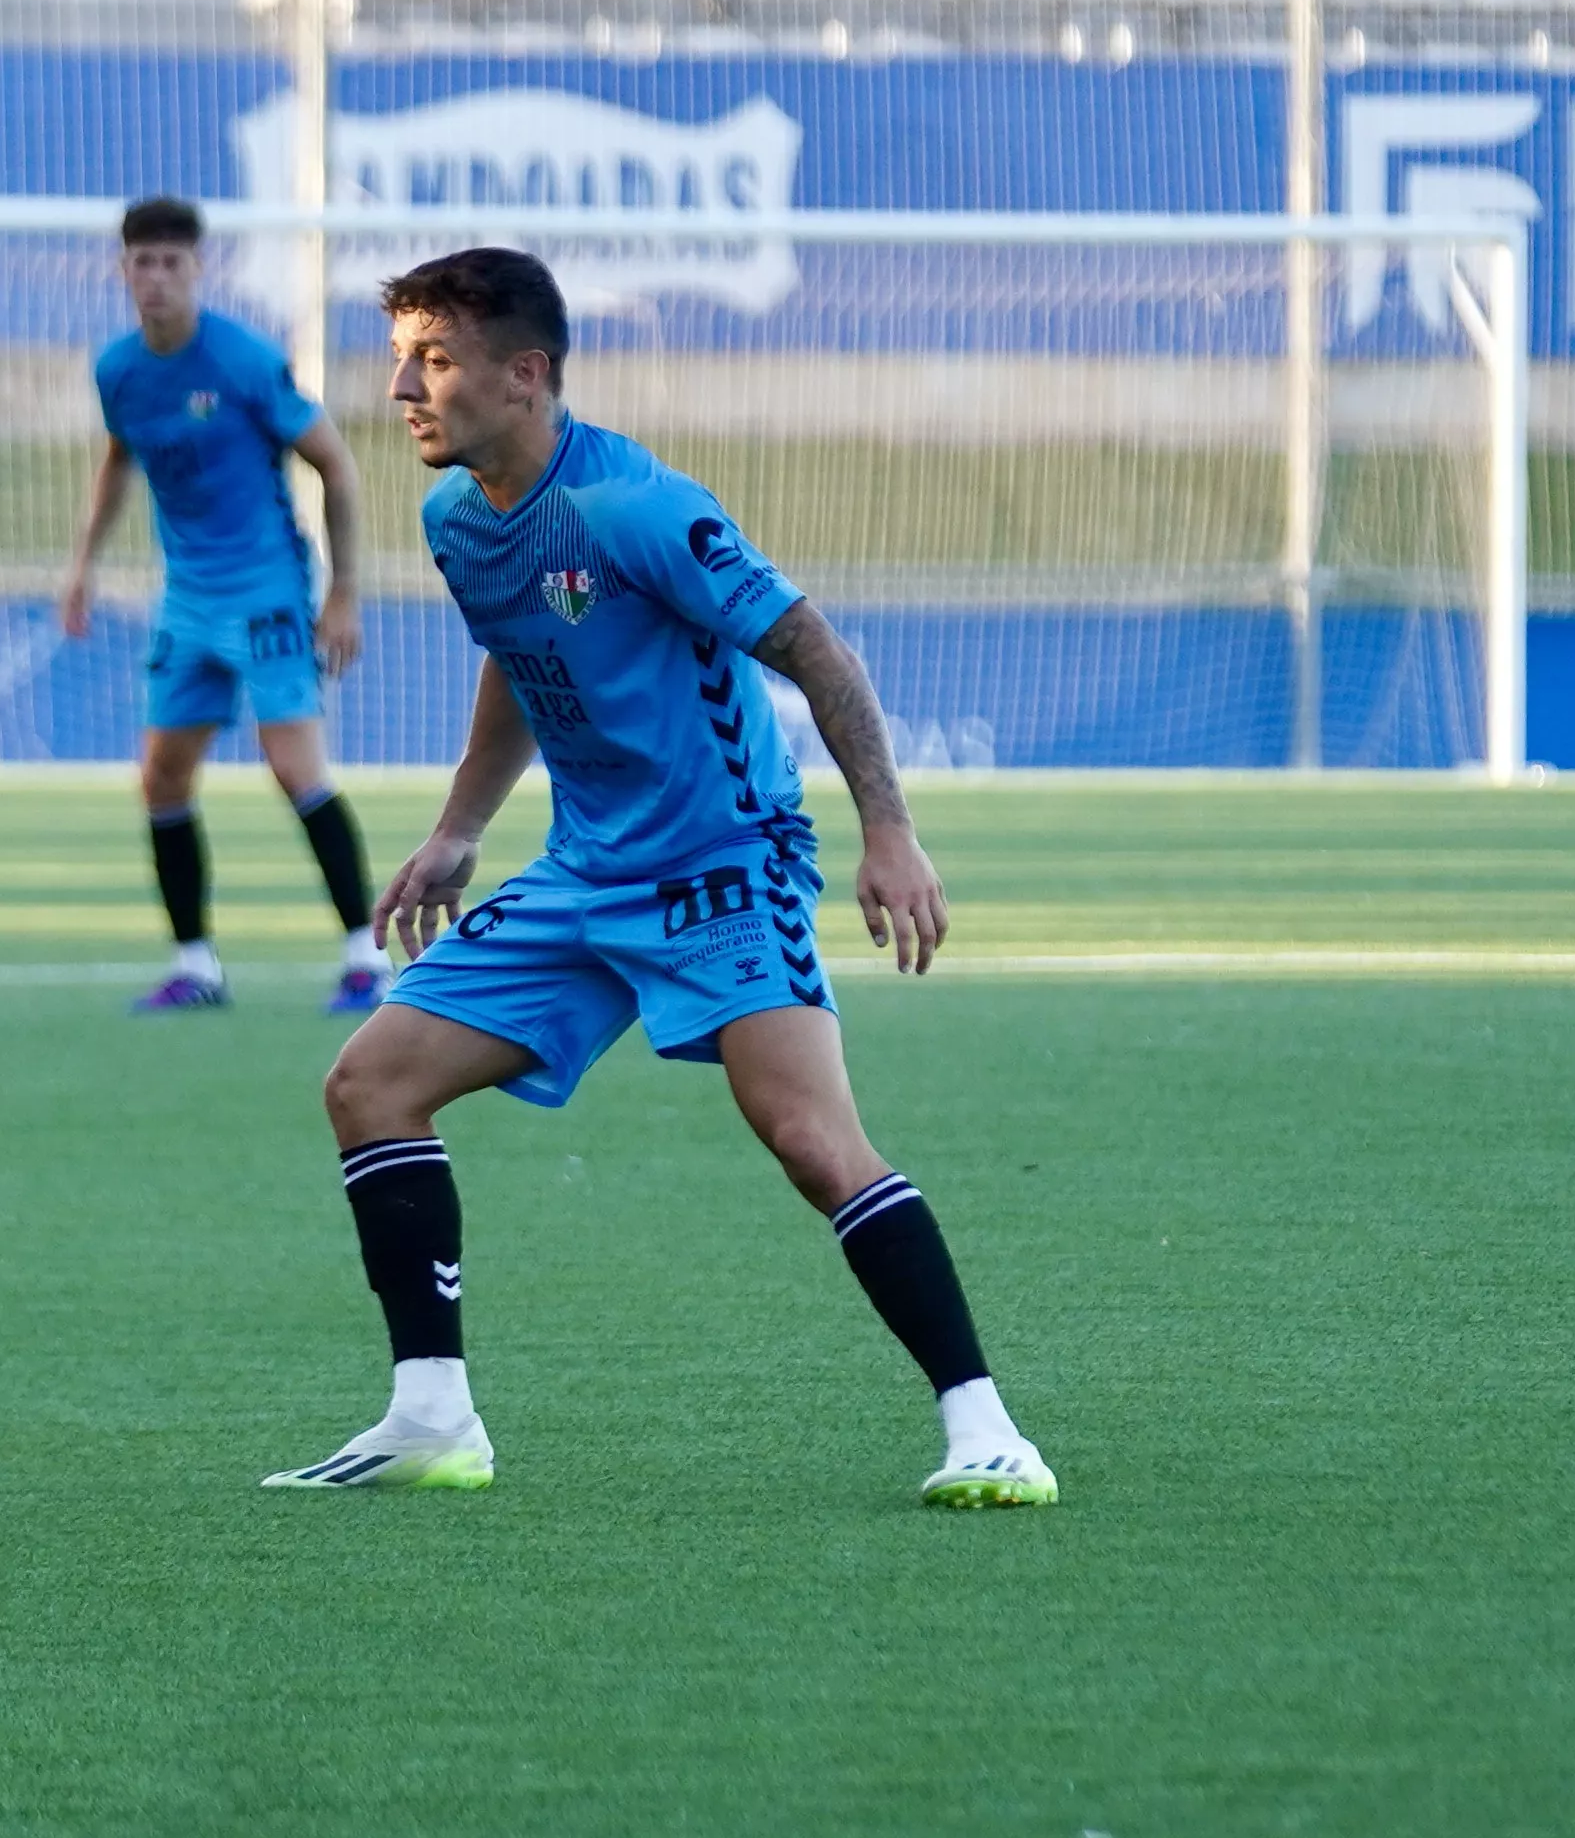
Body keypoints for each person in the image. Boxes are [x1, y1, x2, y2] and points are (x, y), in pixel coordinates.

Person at [280, 244, 1055, 1513]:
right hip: (588, 872)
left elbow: (813, 647)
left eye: (435, 361)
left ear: (525, 376)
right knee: (369, 1085)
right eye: (400, 359)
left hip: (726, 866)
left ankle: (988, 1429)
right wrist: (462, 826)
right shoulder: (457, 515)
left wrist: (889, 832)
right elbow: (519, 653)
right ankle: (432, 1418)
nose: (402, 390)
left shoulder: (638, 509)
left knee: (811, 1140)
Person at [53, 195, 384, 1016]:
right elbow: (119, 459)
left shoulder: (242, 361)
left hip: (268, 589)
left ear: (199, 270)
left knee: (293, 765)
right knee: (162, 777)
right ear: (122, 270)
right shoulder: (119, 369)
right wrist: (82, 565)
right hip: (188, 600)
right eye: (143, 262)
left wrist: (342, 591)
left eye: (172, 262)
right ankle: (196, 966)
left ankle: (363, 959)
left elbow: (336, 465)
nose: (157, 277)